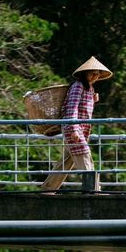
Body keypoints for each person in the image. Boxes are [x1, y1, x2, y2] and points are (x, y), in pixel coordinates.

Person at [40, 56, 113, 192]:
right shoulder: (77, 86)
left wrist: (93, 99)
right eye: (92, 73)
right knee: (85, 158)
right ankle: (93, 190)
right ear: (85, 74)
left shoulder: (89, 89)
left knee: (66, 162)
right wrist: (74, 129)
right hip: (74, 128)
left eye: (97, 74)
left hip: (80, 129)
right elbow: (71, 108)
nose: (95, 76)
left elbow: (83, 108)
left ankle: (47, 189)